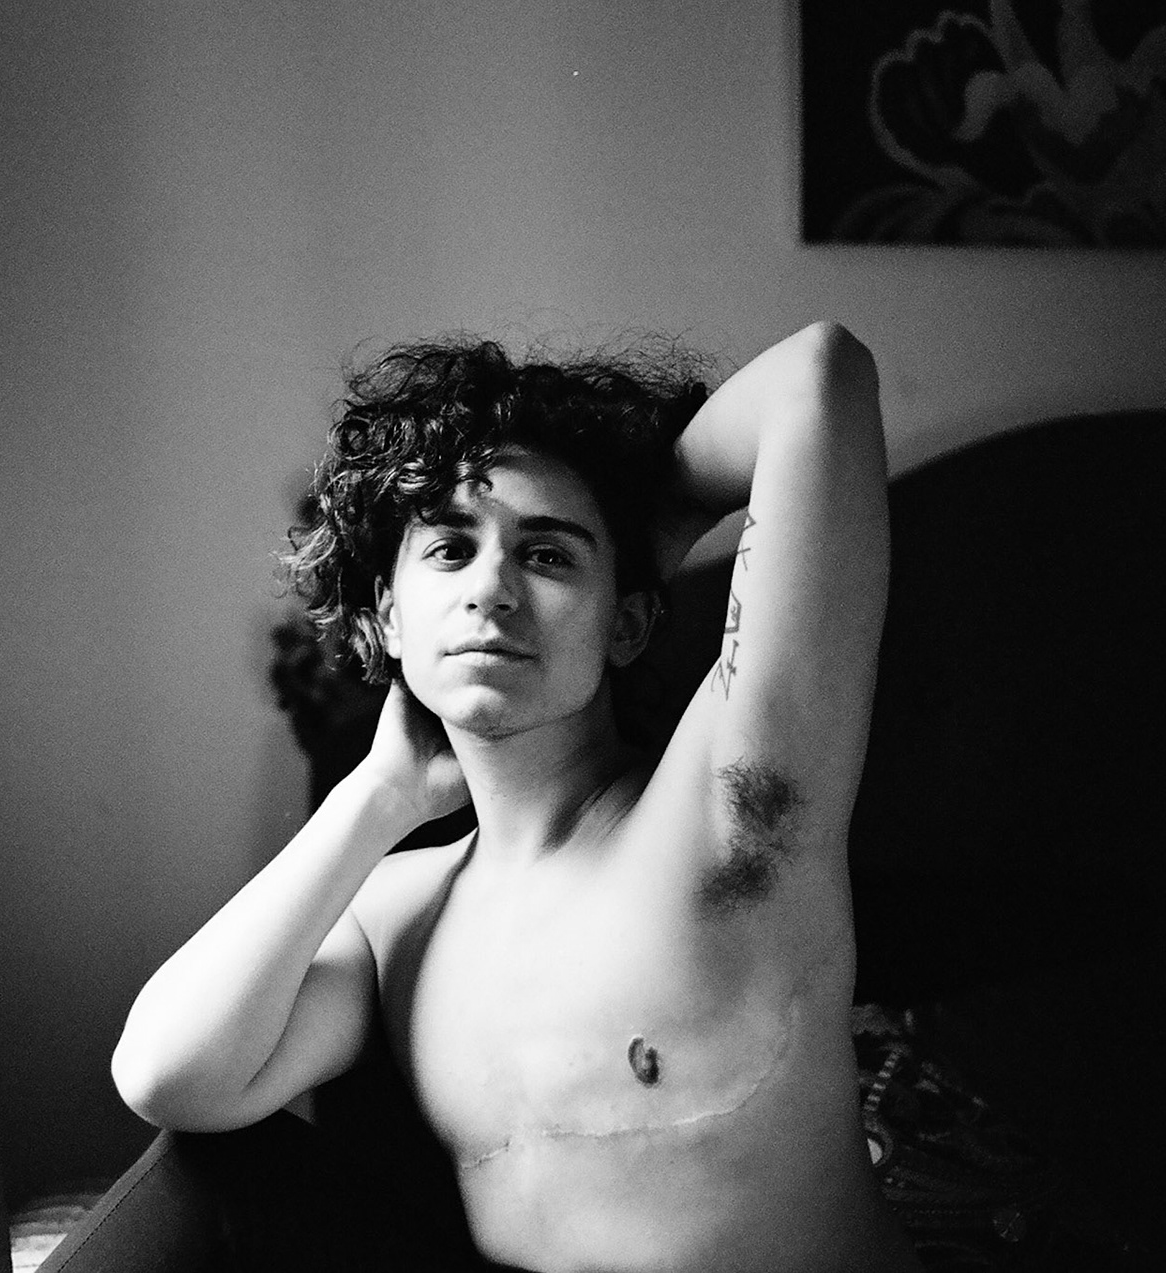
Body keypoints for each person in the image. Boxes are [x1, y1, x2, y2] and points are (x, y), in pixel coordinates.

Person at [110, 321, 922, 1272]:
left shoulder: (722, 811)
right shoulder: (394, 914)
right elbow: (170, 1075)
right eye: (451, 549)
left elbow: (818, 377)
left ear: (628, 623)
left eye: (547, 556)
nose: (491, 588)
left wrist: (642, 521)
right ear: (388, 618)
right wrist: (378, 796)